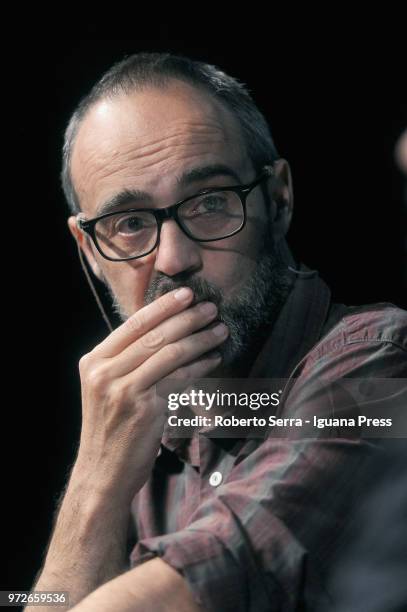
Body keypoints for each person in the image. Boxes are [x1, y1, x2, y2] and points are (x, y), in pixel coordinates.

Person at [26, 52, 407, 612]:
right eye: (130, 223)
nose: (174, 260)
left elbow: (212, 574)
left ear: (278, 200)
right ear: (90, 252)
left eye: (210, 202)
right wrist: (92, 485)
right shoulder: (144, 440)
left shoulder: (380, 366)